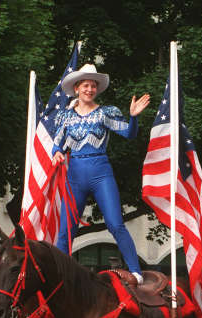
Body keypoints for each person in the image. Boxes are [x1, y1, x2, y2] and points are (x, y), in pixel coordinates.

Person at [52, 64, 150, 283]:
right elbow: (57, 145)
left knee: (115, 223)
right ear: (77, 88)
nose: (90, 89)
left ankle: (136, 272)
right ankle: (58, 275)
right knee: (65, 230)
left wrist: (133, 117)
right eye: (86, 85)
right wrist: (57, 154)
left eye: (93, 85)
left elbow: (129, 134)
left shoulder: (105, 113)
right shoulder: (65, 117)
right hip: (75, 175)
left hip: (101, 173)